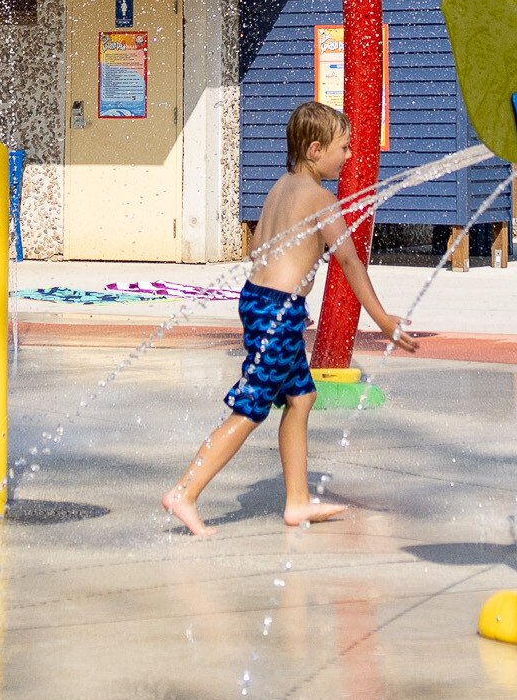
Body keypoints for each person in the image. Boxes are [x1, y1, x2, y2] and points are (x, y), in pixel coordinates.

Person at [164, 100, 416, 538]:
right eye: (345, 147)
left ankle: (297, 502)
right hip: (278, 312)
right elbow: (351, 263)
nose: (351, 155)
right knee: (250, 409)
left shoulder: (280, 187)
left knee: (301, 397)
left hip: (262, 302)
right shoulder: (322, 199)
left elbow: (256, 249)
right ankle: (184, 491)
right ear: (316, 149)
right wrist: (382, 319)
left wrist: (286, 292)